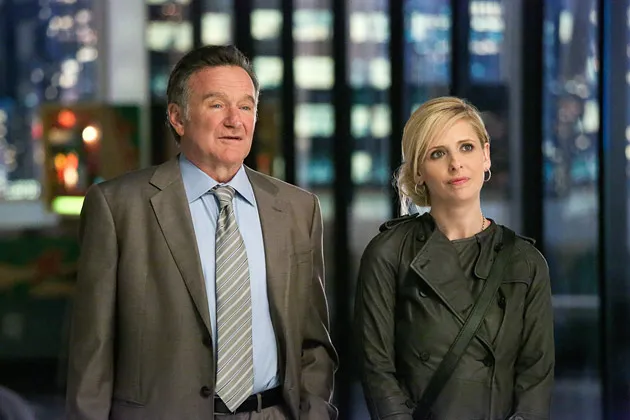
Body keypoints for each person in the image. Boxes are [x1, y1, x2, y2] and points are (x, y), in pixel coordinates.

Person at [66, 45, 338, 420]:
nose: (235, 120)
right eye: (217, 105)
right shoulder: (118, 207)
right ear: (178, 118)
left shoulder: (297, 209)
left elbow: (313, 341)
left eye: (246, 107)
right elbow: (92, 351)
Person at [354, 97, 554, 419]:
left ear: (486, 155)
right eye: (438, 153)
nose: (456, 164)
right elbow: (377, 371)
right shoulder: (389, 253)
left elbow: (535, 379)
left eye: (466, 147)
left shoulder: (526, 262)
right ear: (419, 171)